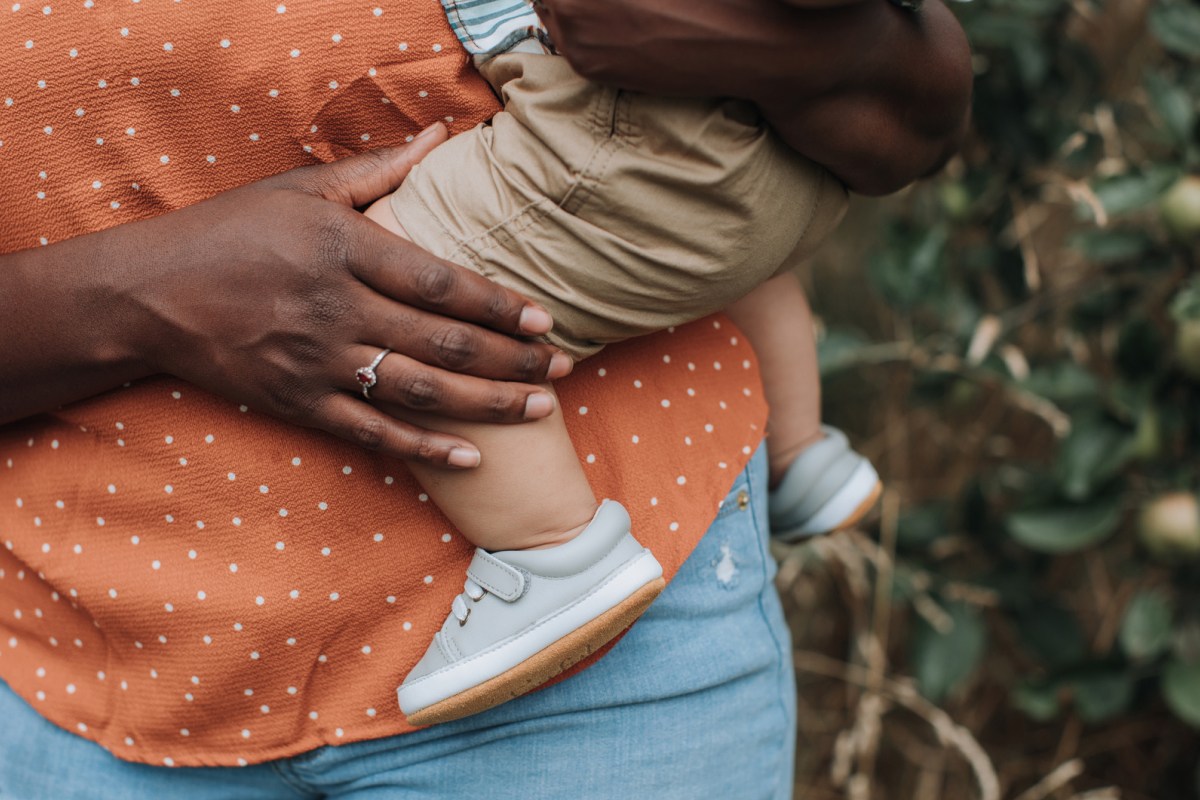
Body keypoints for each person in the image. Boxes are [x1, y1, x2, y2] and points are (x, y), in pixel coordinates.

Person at [0, 0, 970, 796]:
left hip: (596, 698)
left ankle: (556, 549)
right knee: (454, 277)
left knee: (427, 288)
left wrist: (797, 45)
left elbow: (918, 96)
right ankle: (801, 454)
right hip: (87, 677)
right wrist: (149, 294)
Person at [362, 2, 899, 725]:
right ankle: (801, 455)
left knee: (392, 278)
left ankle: (551, 554)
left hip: (631, 132)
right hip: (785, 160)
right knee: (732, 259)